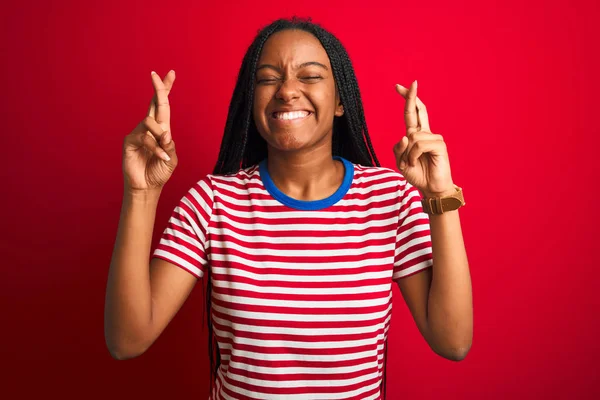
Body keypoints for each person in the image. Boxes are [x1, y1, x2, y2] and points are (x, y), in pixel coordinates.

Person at [104, 17, 473, 400]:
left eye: (310, 76)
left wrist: (440, 198)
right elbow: (127, 340)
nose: (287, 91)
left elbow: (453, 342)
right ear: (252, 102)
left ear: (341, 100)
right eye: (267, 79)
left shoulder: (390, 199)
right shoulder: (213, 202)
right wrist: (141, 193)